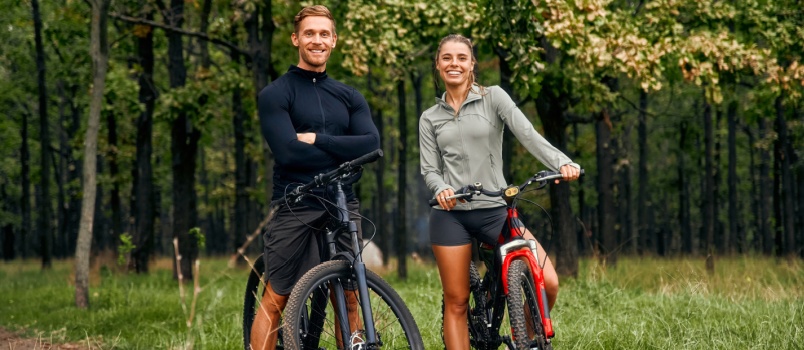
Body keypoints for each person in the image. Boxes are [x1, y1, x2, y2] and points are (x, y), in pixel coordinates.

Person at [419, 34, 581, 349]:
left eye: (461, 57)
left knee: (547, 282)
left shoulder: (494, 98)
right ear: (438, 64)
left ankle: (527, 340)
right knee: (457, 302)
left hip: (495, 209)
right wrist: (441, 189)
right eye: (447, 58)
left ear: (471, 64)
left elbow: (528, 134)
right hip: (450, 216)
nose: (455, 63)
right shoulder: (430, 117)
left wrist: (563, 162)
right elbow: (429, 169)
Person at [250, 5, 380, 350]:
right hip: (296, 204)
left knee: (350, 298)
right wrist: (344, 150)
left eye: (324, 34)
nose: (317, 40)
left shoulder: (350, 96)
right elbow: (289, 153)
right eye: (310, 33)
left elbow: (371, 144)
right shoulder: (276, 94)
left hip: (341, 202)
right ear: (296, 39)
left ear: (334, 41)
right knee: (278, 297)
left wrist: (318, 140)